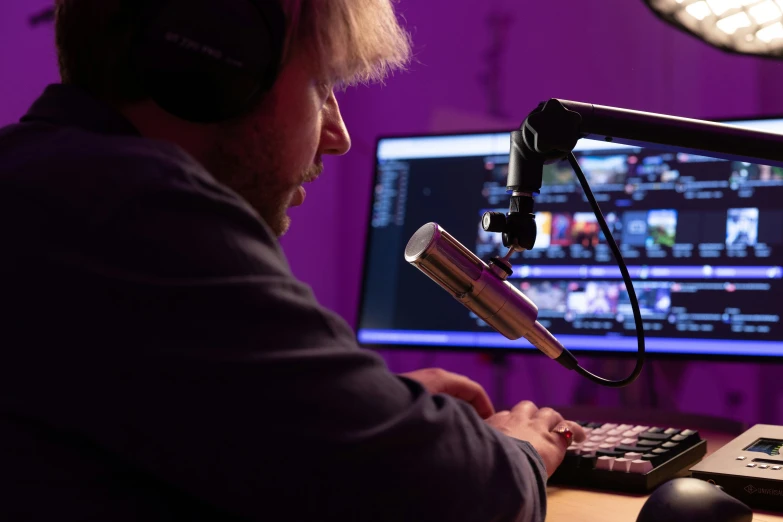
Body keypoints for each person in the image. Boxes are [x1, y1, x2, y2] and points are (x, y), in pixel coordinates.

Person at [0, 1, 585, 520]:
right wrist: (519, 448)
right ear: (216, 61)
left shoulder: (39, 183)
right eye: (322, 86)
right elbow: (456, 496)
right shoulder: (137, 210)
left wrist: (358, 411)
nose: (338, 135)